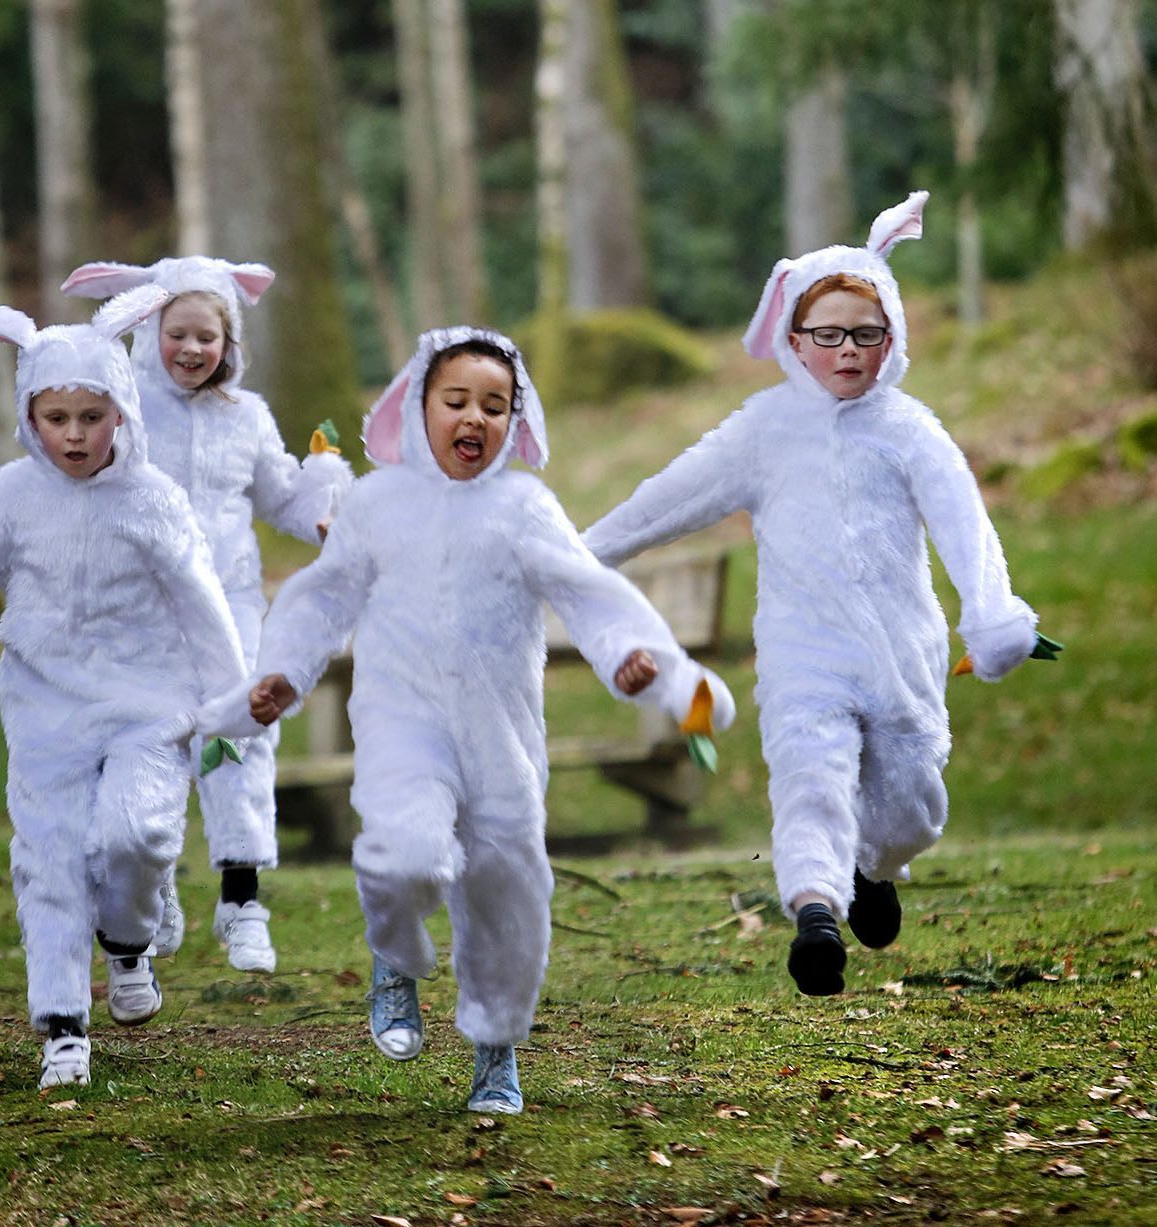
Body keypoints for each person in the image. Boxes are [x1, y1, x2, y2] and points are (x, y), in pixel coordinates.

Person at [242, 327, 734, 1113]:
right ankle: (395, 957)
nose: (475, 418)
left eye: (495, 406)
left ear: (516, 421)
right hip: (403, 721)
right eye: (457, 401)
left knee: (506, 888)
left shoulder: (524, 508)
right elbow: (324, 594)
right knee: (403, 854)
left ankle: (495, 1047)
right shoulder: (376, 504)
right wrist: (282, 671)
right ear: (418, 408)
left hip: (500, 735)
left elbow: (587, 591)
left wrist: (631, 658)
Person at [582, 191, 1046, 997]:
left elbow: (965, 526)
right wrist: (580, 555)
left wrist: (994, 614)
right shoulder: (764, 430)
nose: (847, 350)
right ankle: (816, 914)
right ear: (794, 341)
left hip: (904, 655)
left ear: (891, 338)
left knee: (911, 808)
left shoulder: (910, 431)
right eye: (827, 334)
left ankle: (877, 867)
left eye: (866, 334)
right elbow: (670, 496)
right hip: (804, 655)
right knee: (810, 778)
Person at [0, 286, 247, 1088]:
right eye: (56, 418)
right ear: (29, 417)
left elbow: (201, 599)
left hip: (149, 700)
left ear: (123, 412)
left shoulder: (153, 499)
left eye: (92, 415)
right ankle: (63, 1026)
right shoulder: (14, 495)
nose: (74, 436)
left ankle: (129, 938)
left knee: (135, 837)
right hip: (46, 708)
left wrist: (232, 700)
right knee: (50, 859)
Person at [61, 257, 352, 975]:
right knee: (149, 747)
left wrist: (322, 503)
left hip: (233, 605)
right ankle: (154, 888)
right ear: (152, 330)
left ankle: (242, 898)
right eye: (178, 334)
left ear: (229, 345)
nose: (192, 350)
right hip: (144, 612)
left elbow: (280, 496)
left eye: (208, 338)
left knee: (243, 736)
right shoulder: (125, 412)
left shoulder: (245, 418)